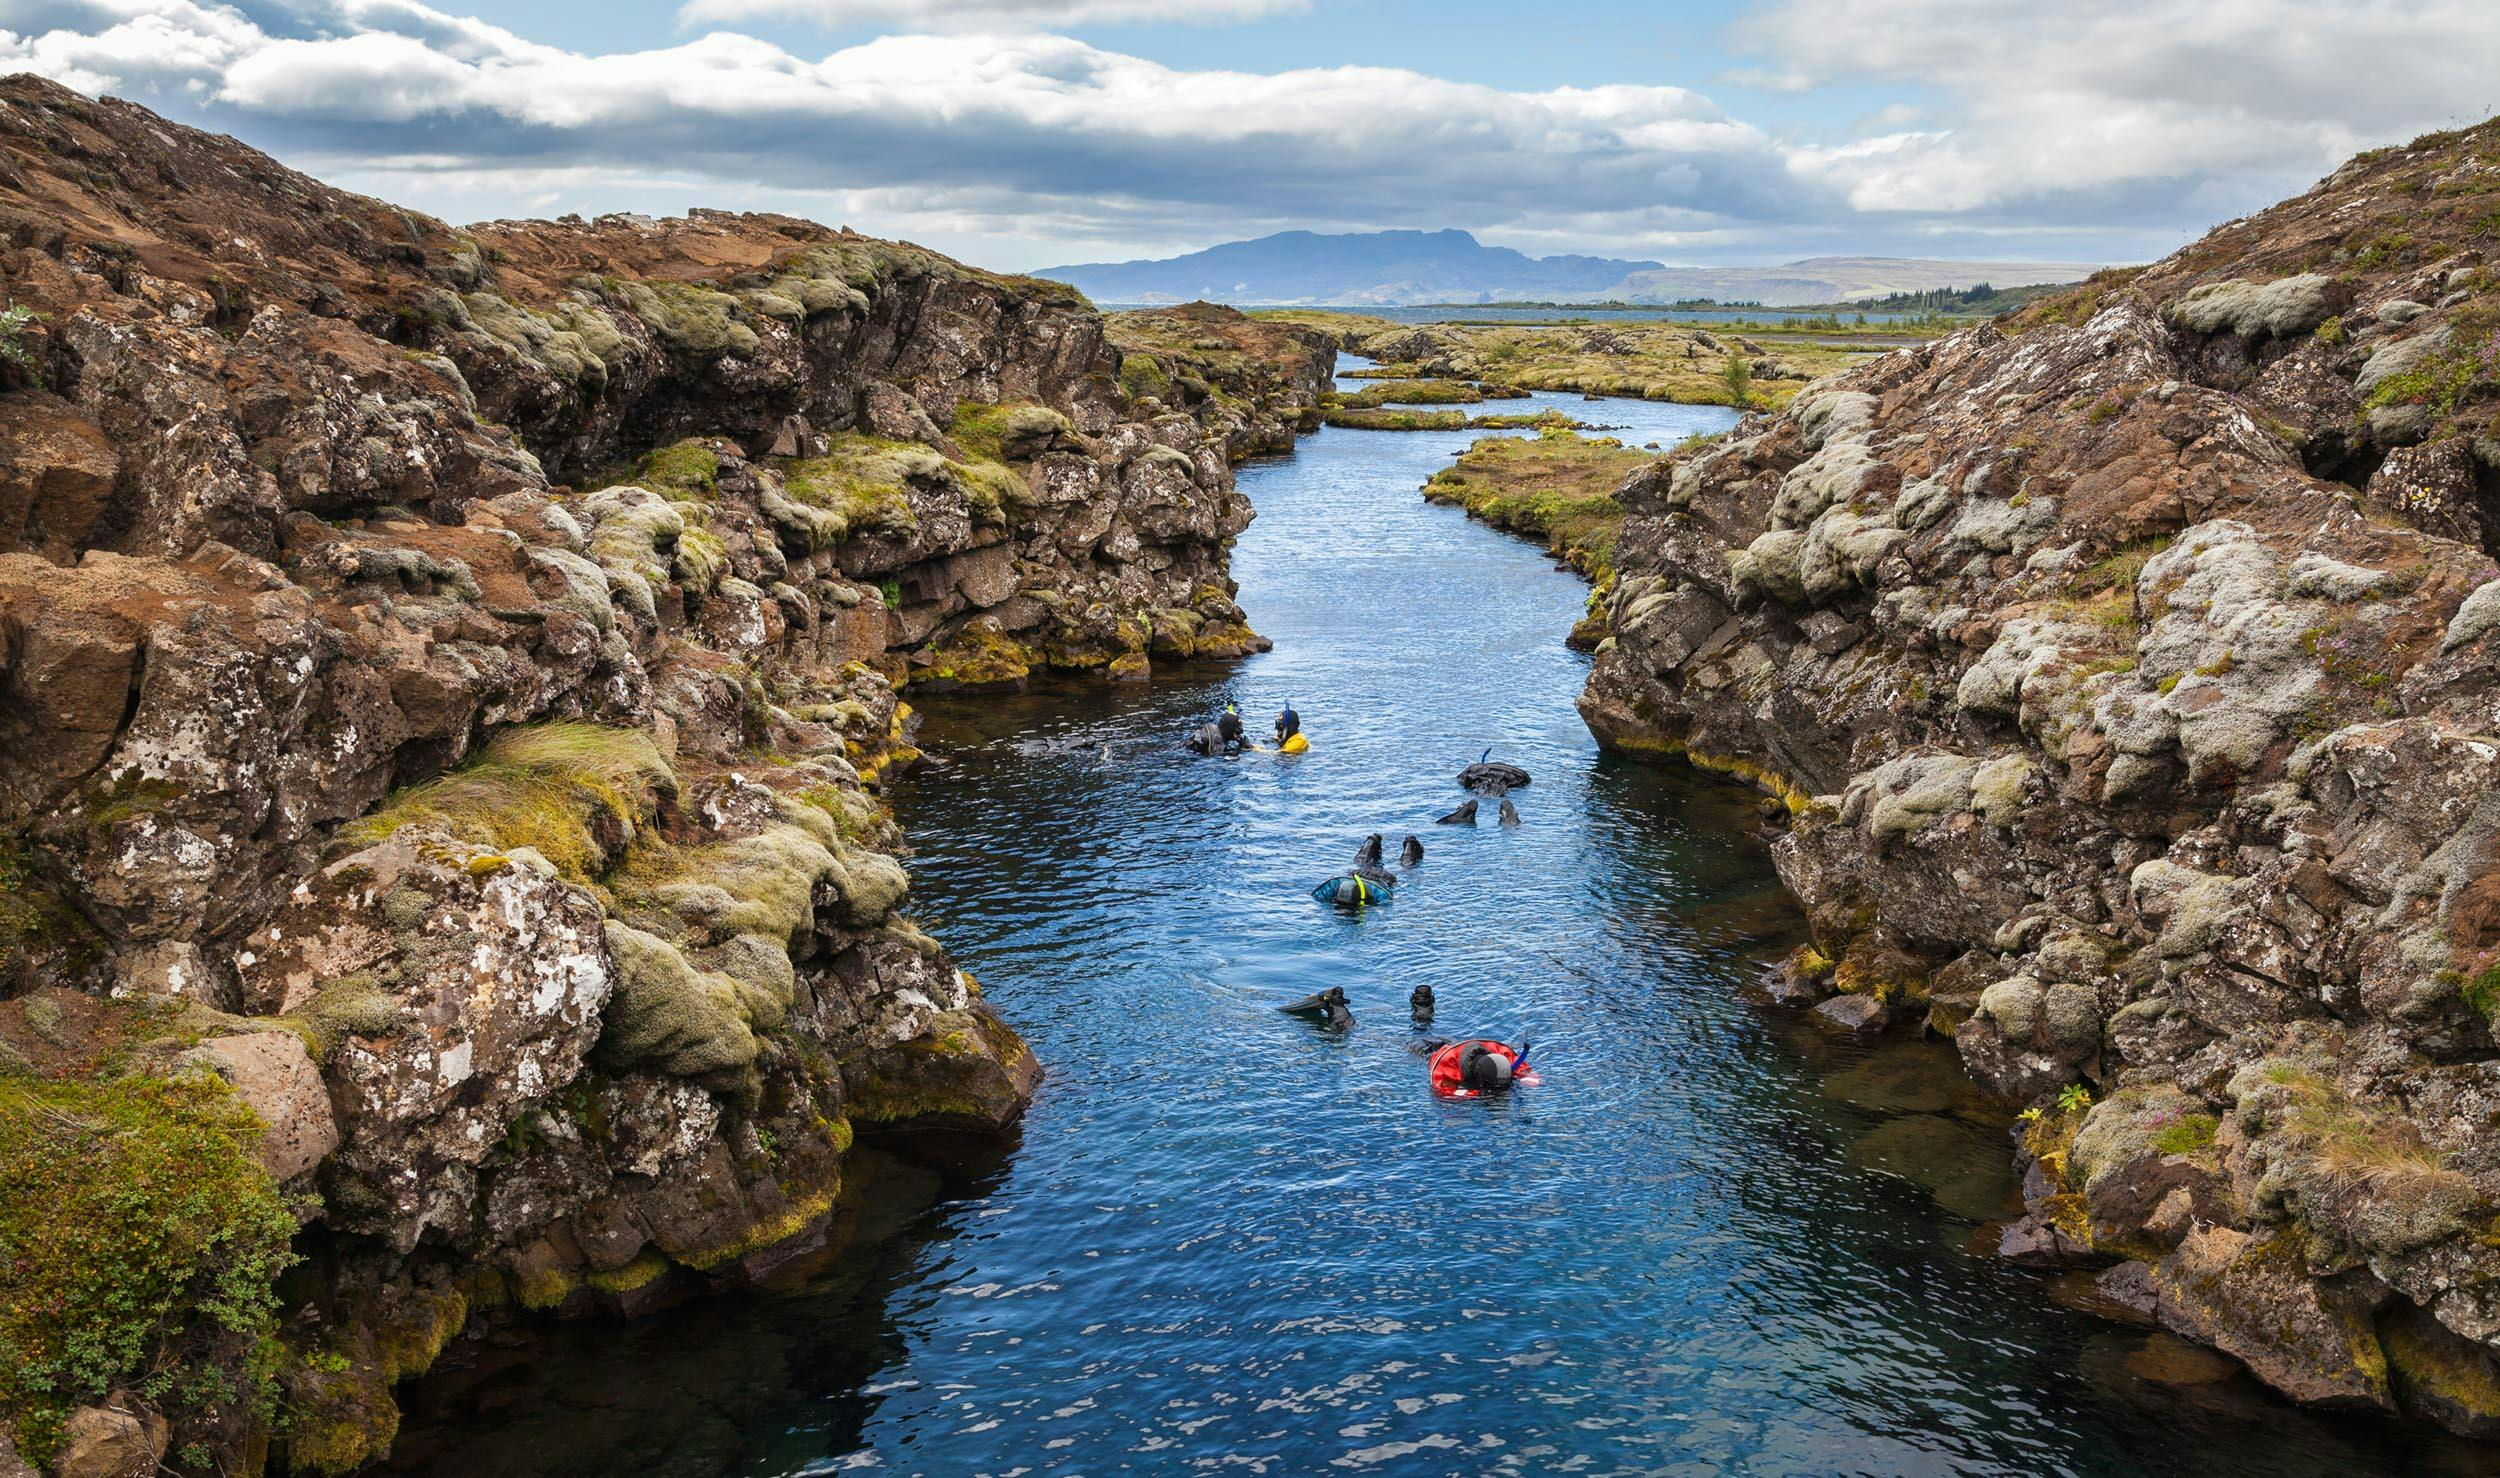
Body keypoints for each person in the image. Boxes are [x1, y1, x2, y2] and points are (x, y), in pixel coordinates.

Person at [1423, 1037, 1531, 1099]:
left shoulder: (1499, 1051)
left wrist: (1527, 1077)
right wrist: (1477, 1094)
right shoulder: (1446, 1067)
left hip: (1458, 1044)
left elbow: (1522, 1067)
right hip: (1429, 1052)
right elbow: (1444, 1092)